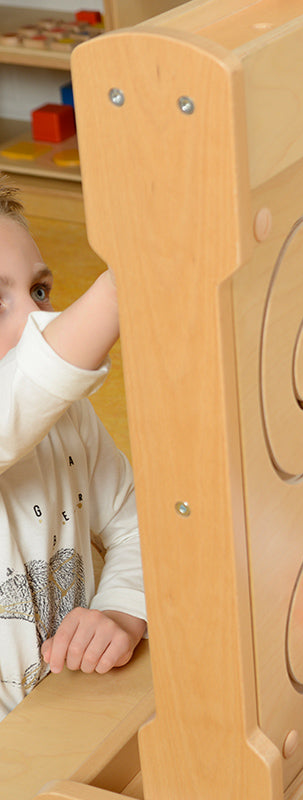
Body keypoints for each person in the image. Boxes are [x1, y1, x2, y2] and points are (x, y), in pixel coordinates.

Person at [0, 183, 146, 720]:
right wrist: (132, 274)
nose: (37, 322)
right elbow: (20, 392)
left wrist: (123, 609)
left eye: (39, 292)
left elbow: (135, 523)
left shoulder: (69, 418)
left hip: (80, 713)